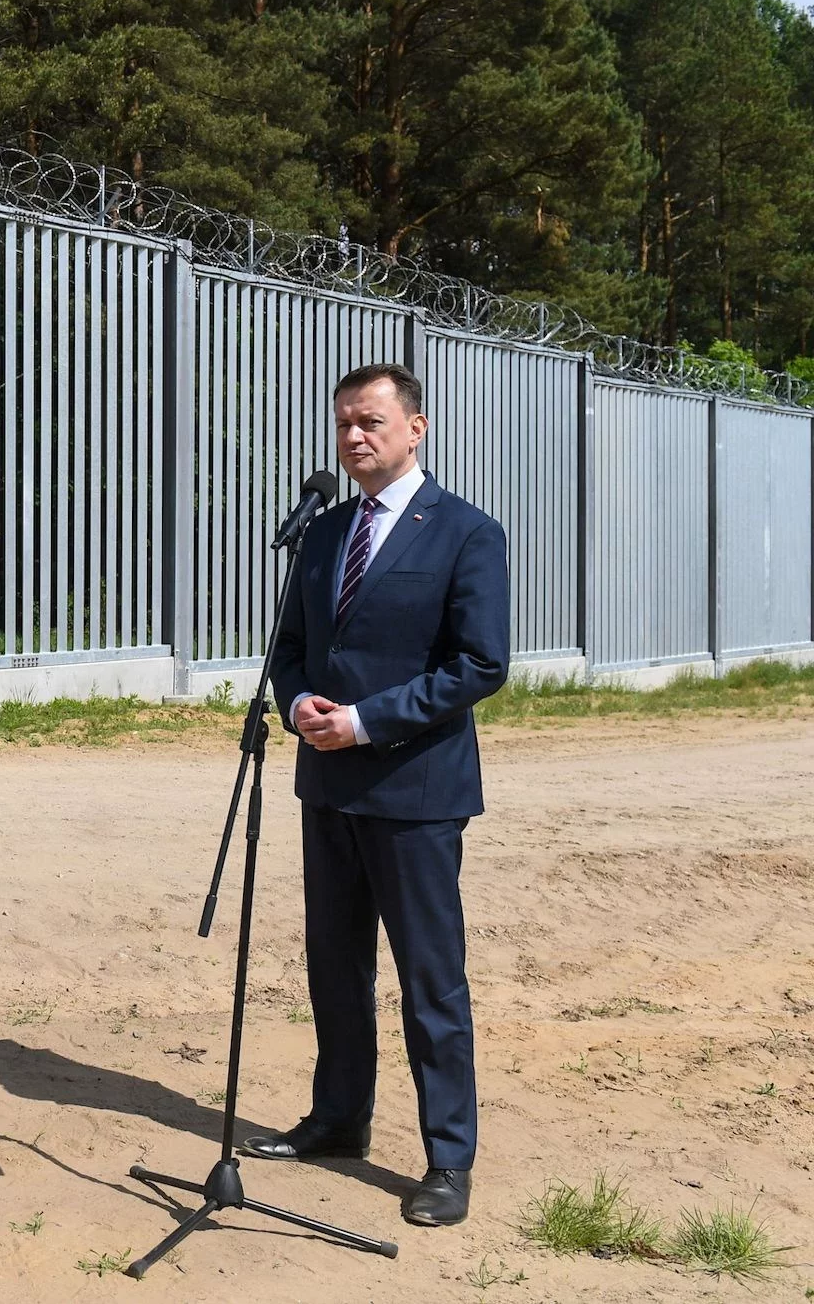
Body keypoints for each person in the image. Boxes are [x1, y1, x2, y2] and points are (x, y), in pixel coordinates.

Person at [252, 362, 509, 1230]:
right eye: (344, 424)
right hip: (326, 787)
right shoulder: (322, 535)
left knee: (431, 979)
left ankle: (448, 1156)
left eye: (370, 421)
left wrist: (365, 720)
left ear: (415, 428)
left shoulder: (466, 534)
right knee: (335, 965)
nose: (355, 437)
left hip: (415, 789)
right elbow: (287, 648)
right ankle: (338, 1117)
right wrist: (296, 703)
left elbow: (480, 664)